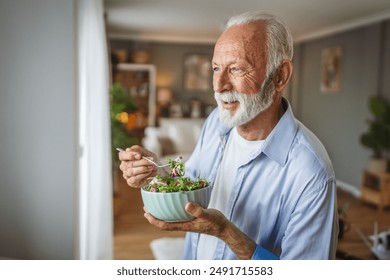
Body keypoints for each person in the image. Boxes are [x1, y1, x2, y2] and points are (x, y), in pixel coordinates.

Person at [118, 11, 339, 260]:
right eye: (215, 68)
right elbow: (192, 183)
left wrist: (226, 233)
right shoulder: (216, 122)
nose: (218, 85)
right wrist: (154, 172)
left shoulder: (311, 173)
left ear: (280, 76)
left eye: (236, 69)